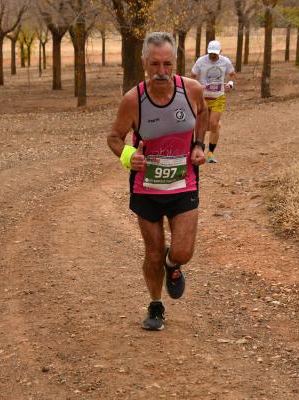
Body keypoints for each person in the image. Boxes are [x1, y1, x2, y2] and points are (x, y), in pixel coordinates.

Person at [107, 32, 208, 331]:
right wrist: (128, 155)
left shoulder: (191, 90)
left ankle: (172, 264)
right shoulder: (133, 100)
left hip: (183, 183)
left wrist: (198, 145)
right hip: (146, 188)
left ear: (176, 62)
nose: (161, 72)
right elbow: (114, 137)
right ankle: (155, 305)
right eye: (155, 65)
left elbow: (202, 114)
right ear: (144, 64)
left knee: (182, 251)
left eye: (167, 64)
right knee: (152, 251)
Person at [190, 40, 236, 163]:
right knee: (199, 126)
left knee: (213, 123)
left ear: (220, 52)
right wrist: (197, 86)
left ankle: (210, 153)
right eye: (211, 53)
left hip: (218, 97)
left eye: (215, 53)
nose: (213, 55)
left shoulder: (225, 62)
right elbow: (192, 76)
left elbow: (233, 75)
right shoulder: (201, 61)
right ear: (207, 51)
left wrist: (230, 85)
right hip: (203, 98)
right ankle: (197, 149)